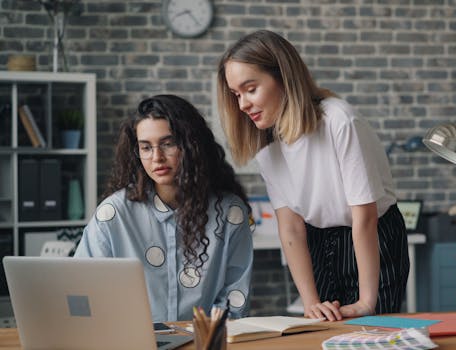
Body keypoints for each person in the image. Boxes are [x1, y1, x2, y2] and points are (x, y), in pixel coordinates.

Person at [217, 30, 409, 321]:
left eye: (250, 89)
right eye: (236, 94)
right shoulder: (269, 148)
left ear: (283, 77)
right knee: (323, 328)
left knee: (369, 333)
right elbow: (291, 230)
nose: (242, 104)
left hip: (373, 235)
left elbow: (365, 217)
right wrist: (310, 303)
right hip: (319, 240)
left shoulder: (339, 121)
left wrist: (367, 302)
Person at [74, 94, 253, 322]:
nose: (157, 157)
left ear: (191, 145)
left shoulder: (230, 214)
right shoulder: (114, 214)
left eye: (168, 144)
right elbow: (83, 287)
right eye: (146, 147)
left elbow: (235, 299)